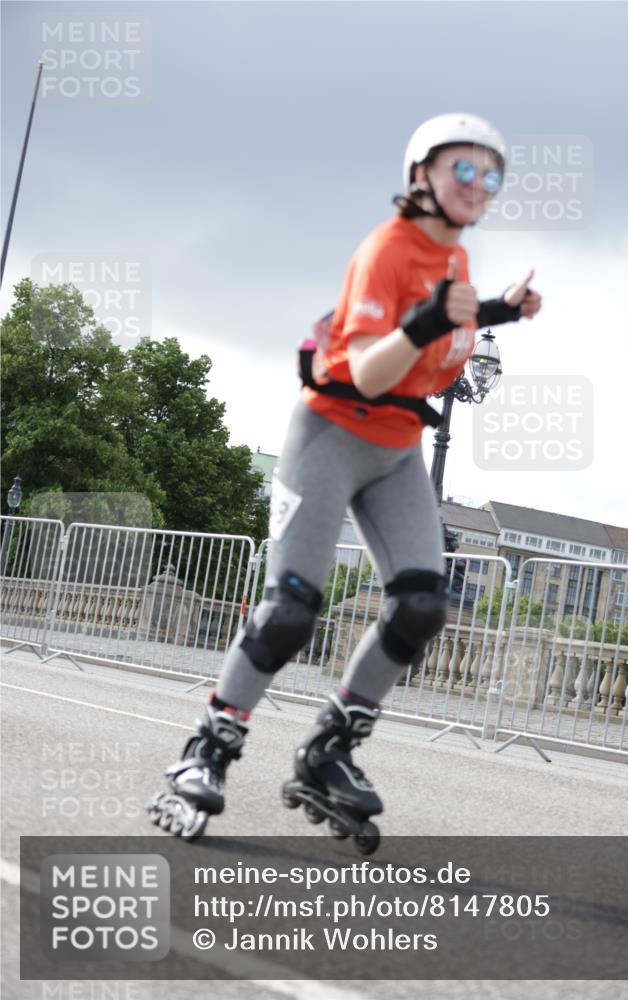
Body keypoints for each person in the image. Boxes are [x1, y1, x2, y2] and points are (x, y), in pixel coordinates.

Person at [148, 112, 542, 852]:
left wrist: (501, 313)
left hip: (395, 446)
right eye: (464, 168)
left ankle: (329, 747)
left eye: (491, 175)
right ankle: (208, 752)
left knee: (422, 606)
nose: (478, 185)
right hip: (331, 434)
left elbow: (443, 329)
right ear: (420, 173)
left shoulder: (453, 264)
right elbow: (367, 367)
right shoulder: (386, 250)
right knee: (291, 611)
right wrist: (425, 327)